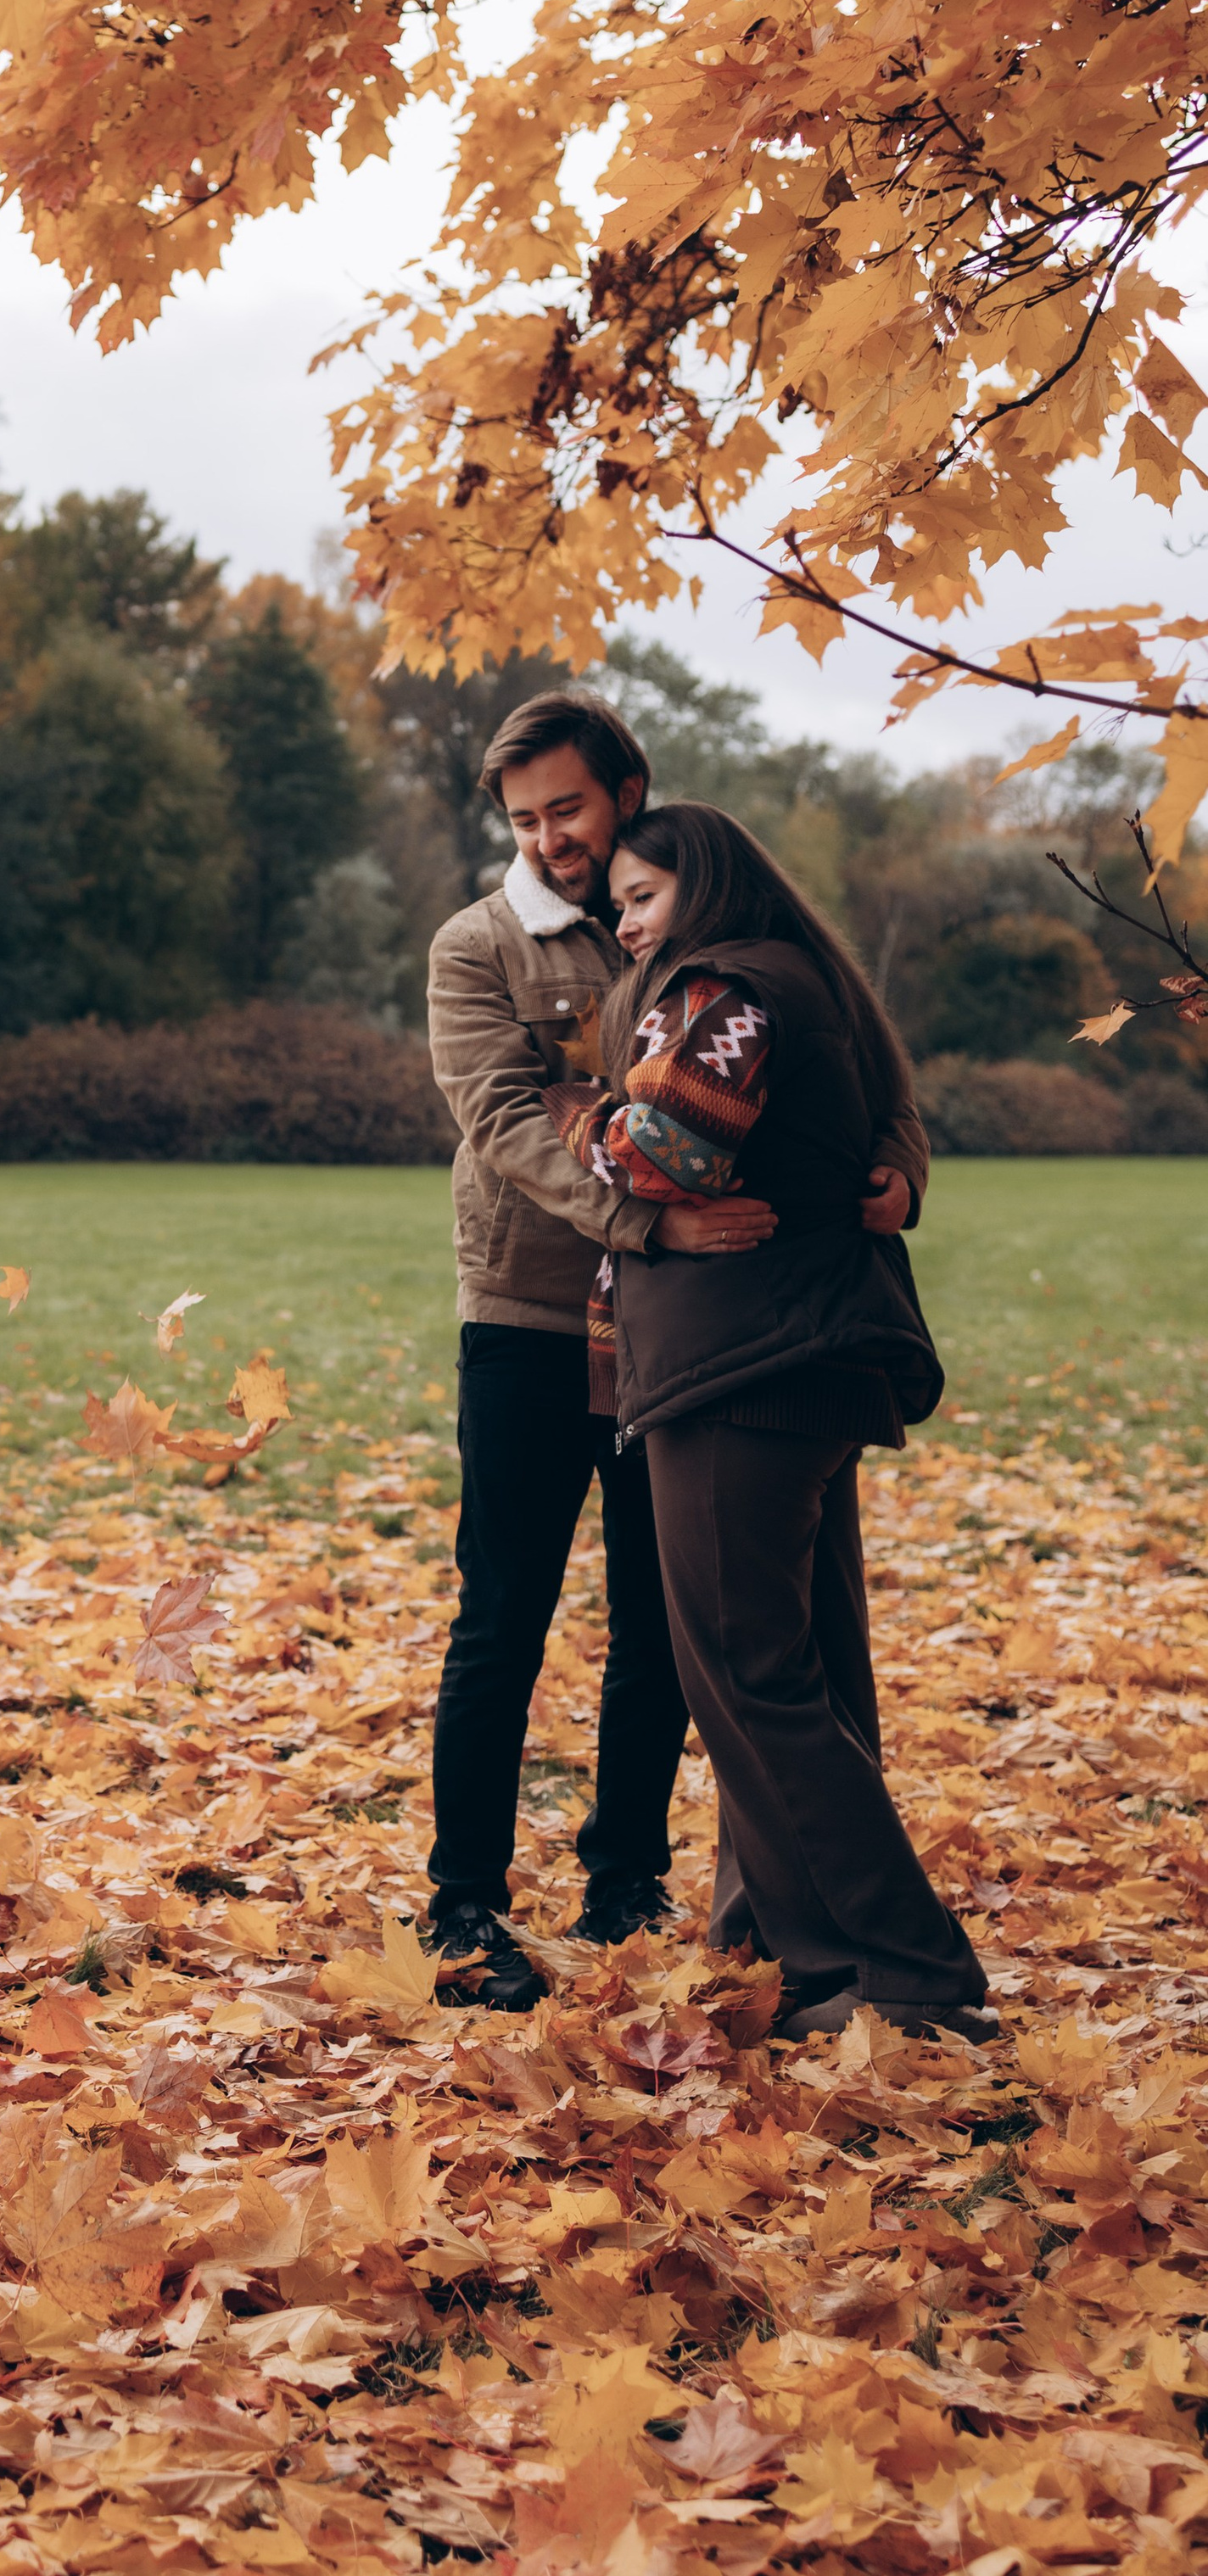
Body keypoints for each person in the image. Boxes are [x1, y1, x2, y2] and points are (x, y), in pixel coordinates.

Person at [424, 690, 924, 2010]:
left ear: (627, 789)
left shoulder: (704, 911)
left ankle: (626, 1875)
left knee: (667, 1622)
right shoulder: (480, 947)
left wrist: (900, 1169)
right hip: (535, 1314)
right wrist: (648, 1216)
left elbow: (859, 1063)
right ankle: (463, 1895)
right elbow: (503, 1125)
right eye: (526, 820)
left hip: (697, 1333)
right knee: (504, 1613)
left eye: (570, 809)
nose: (550, 840)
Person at [551, 802, 988, 2042]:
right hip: (802, 1354)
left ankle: (903, 1970)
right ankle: (775, 1937)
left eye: (641, 899)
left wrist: (578, 1114)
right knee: (809, 1663)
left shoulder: (726, 989)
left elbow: (659, 1151)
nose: (625, 924)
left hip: (742, 1361)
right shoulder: (814, 983)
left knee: (744, 1666)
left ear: (706, 888)